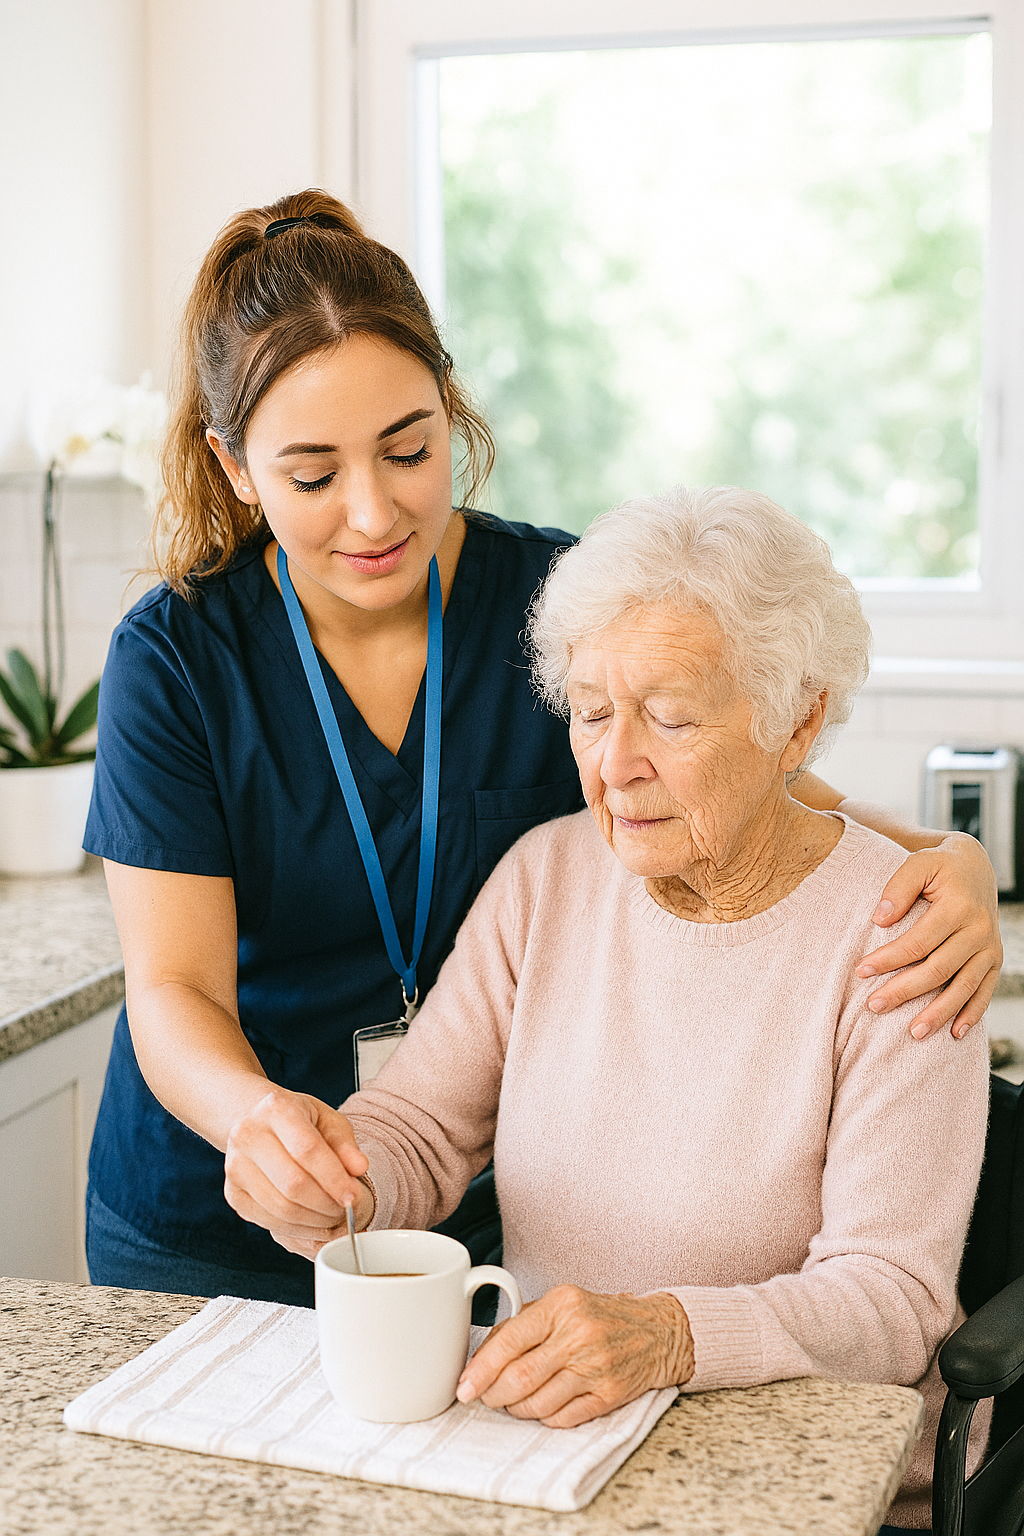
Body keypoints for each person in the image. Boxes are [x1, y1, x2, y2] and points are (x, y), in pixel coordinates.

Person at [85, 188, 1000, 1311]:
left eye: (409, 450)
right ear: (235, 468)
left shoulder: (556, 602)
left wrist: (949, 865)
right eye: (313, 476)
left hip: (449, 1198)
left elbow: (761, 778)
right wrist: (261, 1120)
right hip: (220, 1201)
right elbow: (172, 987)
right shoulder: (179, 656)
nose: (372, 514)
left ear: (449, 411)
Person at [251, 488, 989, 1532]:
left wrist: (670, 1337)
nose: (615, 763)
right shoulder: (542, 881)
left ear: (799, 720)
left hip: (807, 1473)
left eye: (672, 716)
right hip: (559, 1450)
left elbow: (887, 1300)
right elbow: (417, 1131)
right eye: (592, 713)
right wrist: (328, 1177)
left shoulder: (904, 935)